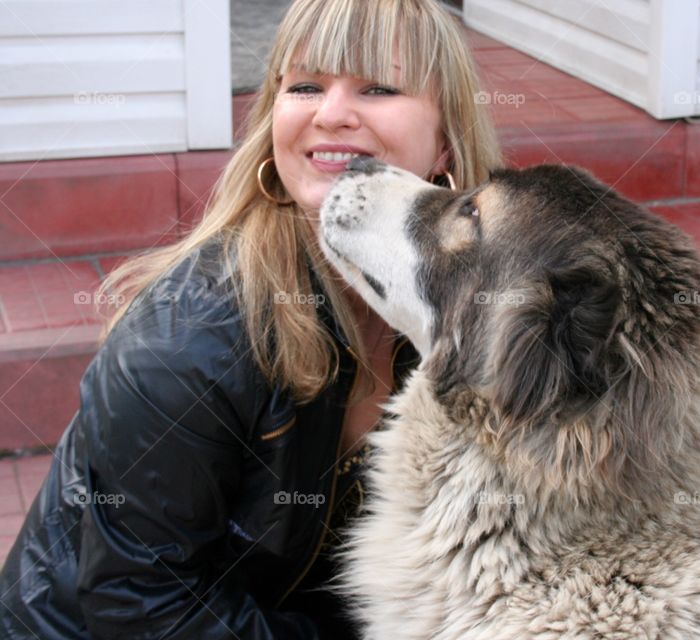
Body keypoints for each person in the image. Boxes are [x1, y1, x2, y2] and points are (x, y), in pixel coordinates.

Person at [0, 0, 502, 637]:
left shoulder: (470, 311)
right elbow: (142, 606)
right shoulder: (185, 344)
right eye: (305, 87)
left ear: (446, 143)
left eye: (377, 87)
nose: (330, 113)